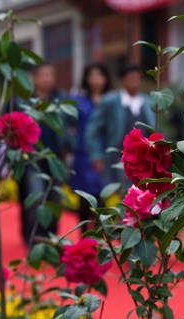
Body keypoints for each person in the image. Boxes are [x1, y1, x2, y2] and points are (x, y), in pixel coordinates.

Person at [85, 64, 155, 188]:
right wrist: (96, 156)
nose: (135, 82)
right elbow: (93, 130)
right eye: (131, 78)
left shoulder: (147, 102)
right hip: (116, 159)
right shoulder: (110, 101)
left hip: (144, 161)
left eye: (137, 78)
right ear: (123, 80)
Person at [18, 63, 65, 247]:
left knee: (54, 200)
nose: (48, 79)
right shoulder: (24, 102)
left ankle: (51, 238)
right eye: (43, 75)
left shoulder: (60, 101)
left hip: (55, 160)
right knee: (35, 199)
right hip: (32, 160)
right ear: (34, 78)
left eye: (50, 75)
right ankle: (34, 240)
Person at [68, 63, 112, 232]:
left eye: (100, 75)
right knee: (84, 200)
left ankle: (102, 240)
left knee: (103, 199)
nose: (96, 80)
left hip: (106, 156)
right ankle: (85, 240)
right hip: (83, 157)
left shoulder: (111, 101)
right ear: (86, 79)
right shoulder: (79, 102)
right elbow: (71, 125)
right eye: (92, 75)